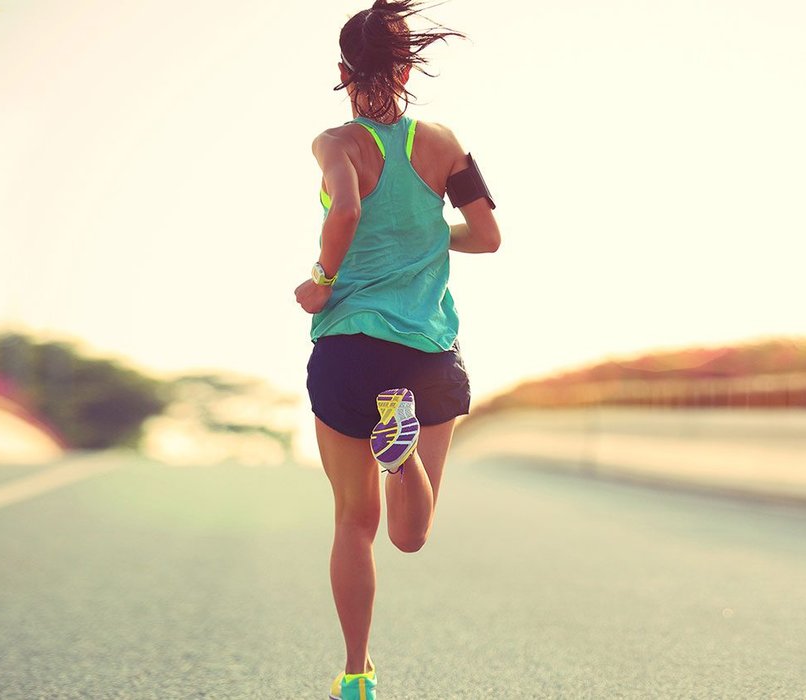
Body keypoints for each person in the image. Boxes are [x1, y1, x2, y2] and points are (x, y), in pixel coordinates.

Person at [292, 3, 499, 698]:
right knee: (412, 533)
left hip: (350, 348)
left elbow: (345, 209)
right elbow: (488, 235)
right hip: (426, 354)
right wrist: (430, 238)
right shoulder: (443, 143)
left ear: (343, 74)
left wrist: (322, 281)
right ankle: (402, 455)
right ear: (408, 68)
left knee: (354, 523)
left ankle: (356, 675)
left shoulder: (335, 142)